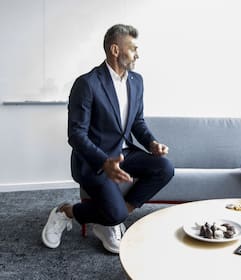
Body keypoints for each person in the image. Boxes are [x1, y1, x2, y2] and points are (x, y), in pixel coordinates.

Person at [41, 24, 174, 254]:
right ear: (115, 50)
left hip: (124, 154)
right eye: (133, 49)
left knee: (165, 168)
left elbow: (137, 122)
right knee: (117, 214)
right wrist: (104, 162)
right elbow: (76, 134)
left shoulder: (136, 81)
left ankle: (112, 218)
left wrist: (151, 143)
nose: (137, 54)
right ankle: (67, 212)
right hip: (96, 160)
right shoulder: (87, 83)